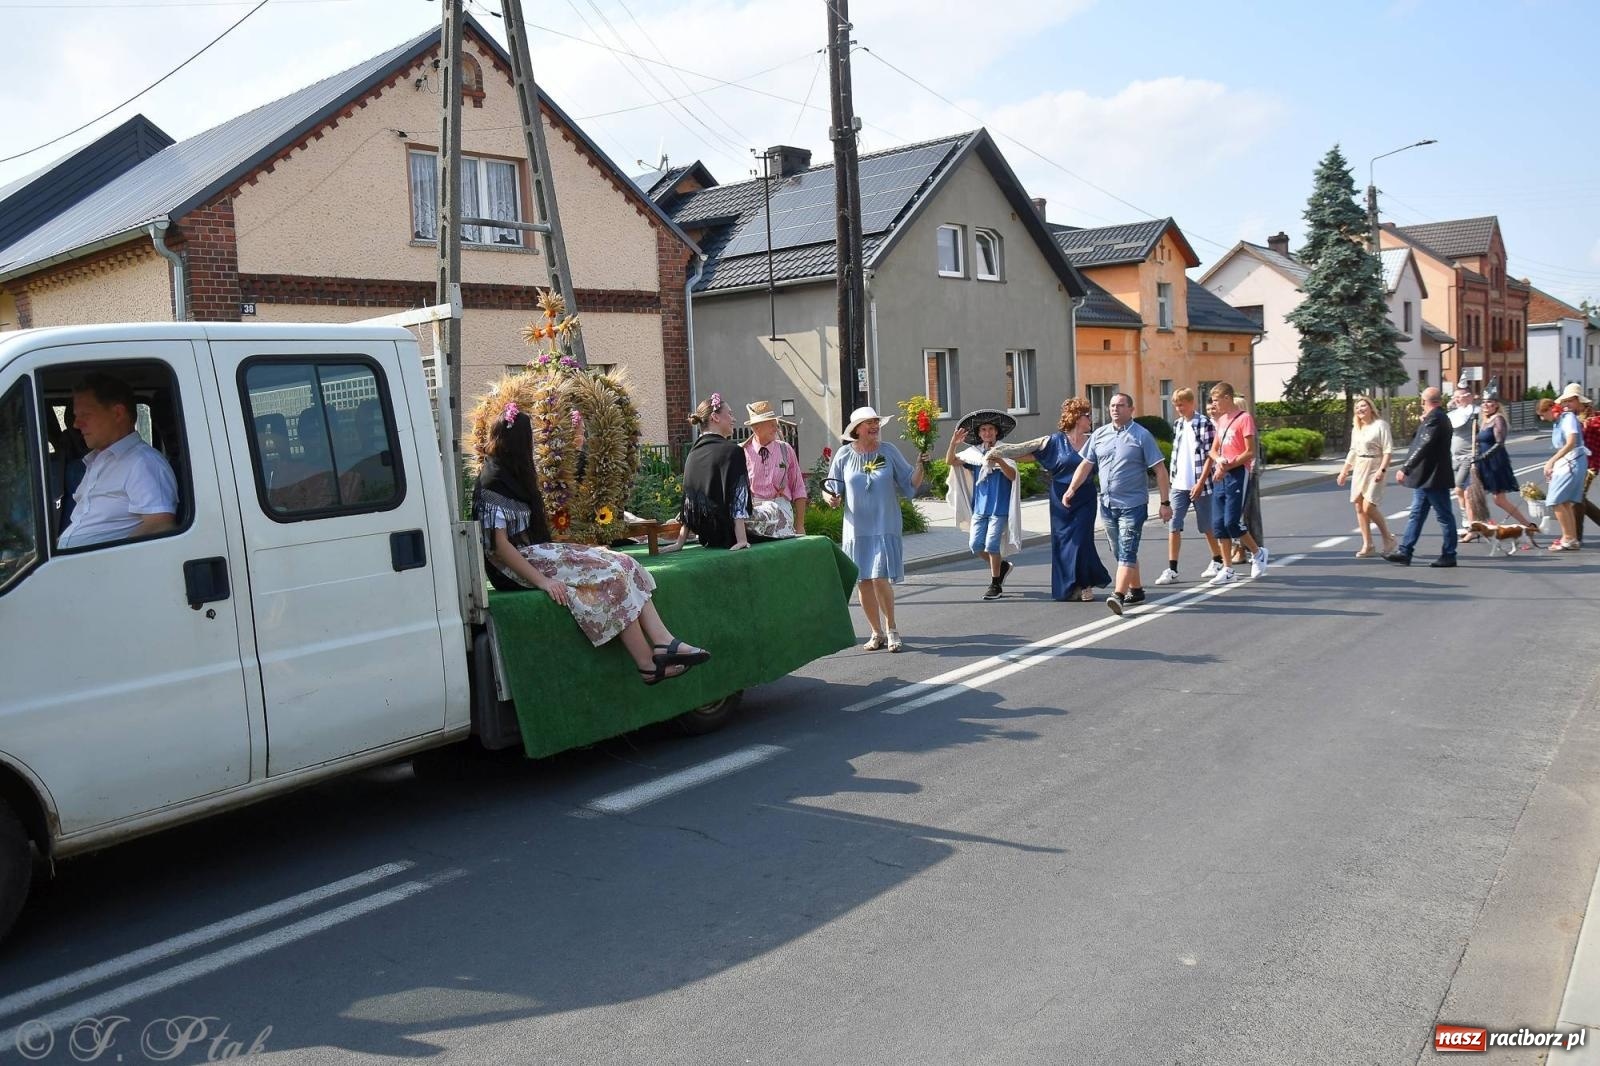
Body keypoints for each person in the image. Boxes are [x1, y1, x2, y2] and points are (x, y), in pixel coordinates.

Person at [474, 402, 709, 685]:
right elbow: (499, 547)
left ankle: (663, 641)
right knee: (610, 575)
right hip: (514, 566)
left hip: (534, 552)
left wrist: (584, 551)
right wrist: (543, 582)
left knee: (625, 562)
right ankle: (647, 664)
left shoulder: (510, 474)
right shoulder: (492, 481)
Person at [1057, 392, 1171, 615]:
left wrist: (1165, 502)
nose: (1115, 409)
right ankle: (1136, 590)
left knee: (1127, 551)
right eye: (1112, 405)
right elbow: (1086, 465)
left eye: (1120, 405)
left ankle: (1118, 595)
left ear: (1131, 409)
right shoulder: (1099, 434)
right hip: (1108, 504)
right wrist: (1071, 488)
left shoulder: (1142, 435)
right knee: (1120, 551)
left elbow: (1160, 470)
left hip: (1133, 504)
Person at [987, 397, 1110, 602]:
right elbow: (1028, 453)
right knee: (1063, 543)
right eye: (1087, 415)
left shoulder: (1093, 442)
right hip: (1060, 499)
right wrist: (999, 454)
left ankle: (1086, 584)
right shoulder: (1053, 442)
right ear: (1077, 418)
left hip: (1085, 497)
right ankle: (1070, 586)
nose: (1091, 418)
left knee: (1081, 541)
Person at [824, 405, 924, 651]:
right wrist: (831, 498)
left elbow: (910, 483)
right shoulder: (844, 455)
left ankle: (892, 629)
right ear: (857, 429)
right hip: (856, 528)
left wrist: (922, 465)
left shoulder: (888, 451)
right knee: (863, 581)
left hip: (884, 524)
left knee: (879, 576)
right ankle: (876, 632)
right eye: (869, 422)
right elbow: (830, 487)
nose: (875, 425)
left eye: (876, 421)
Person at [57, 372, 178, 549]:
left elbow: (160, 525)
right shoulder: (97, 461)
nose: (76, 424)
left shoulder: (143, 462)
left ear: (118, 413)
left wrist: (104, 562)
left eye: (85, 415)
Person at [944, 409, 1022, 599]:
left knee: (992, 545)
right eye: (983, 430)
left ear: (997, 432)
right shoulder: (974, 455)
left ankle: (995, 584)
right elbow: (951, 461)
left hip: (1000, 507)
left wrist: (1000, 461)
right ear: (978, 434)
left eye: (991, 429)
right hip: (980, 508)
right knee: (976, 545)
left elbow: (1013, 476)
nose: (987, 433)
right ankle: (1002, 566)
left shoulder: (1005, 451)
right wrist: (953, 444)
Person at [666, 392, 753, 551]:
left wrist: (680, 543)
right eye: (730, 414)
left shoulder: (692, 454)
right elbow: (738, 497)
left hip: (707, 537)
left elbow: (688, 502)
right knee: (771, 508)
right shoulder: (733, 451)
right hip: (730, 534)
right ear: (715, 417)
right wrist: (741, 539)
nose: (733, 419)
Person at [1385, 386, 1458, 567]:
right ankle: (1405, 551)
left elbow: (1423, 446)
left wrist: (1406, 468)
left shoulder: (1435, 419)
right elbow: (1421, 440)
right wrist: (1423, 423)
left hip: (1433, 477)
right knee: (1416, 514)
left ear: (1424, 402)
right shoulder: (1436, 418)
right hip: (1427, 477)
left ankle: (1449, 554)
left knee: (1444, 516)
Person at [1202, 382, 1268, 582]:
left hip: (1238, 473)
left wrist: (1228, 465)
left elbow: (1249, 451)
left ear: (1227, 398)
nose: (1214, 405)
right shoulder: (1221, 421)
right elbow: (1213, 450)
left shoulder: (1244, 419)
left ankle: (1258, 553)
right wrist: (1219, 461)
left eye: (1216, 400)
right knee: (1218, 523)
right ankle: (1228, 569)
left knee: (1233, 521)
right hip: (1222, 473)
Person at [1154, 387, 1221, 584]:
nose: (1178, 408)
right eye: (1176, 405)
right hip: (1179, 484)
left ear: (1192, 403)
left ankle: (1217, 559)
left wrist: (1201, 482)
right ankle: (1172, 568)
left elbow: (1211, 454)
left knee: (1206, 525)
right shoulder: (1178, 425)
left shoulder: (1204, 424)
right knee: (1174, 525)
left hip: (1201, 483)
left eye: (1181, 404)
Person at [1336, 395, 1398, 558]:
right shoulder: (1357, 428)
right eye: (1357, 407)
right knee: (1358, 506)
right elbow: (1353, 451)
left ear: (1371, 408)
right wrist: (1344, 470)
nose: (1360, 409)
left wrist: (1382, 470)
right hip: (1360, 467)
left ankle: (1388, 538)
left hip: (1375, 466)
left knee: (1369, 506)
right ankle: (1368, 544)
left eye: (1363, 406)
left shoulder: (1380, 425)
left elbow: (1388, 450)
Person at [1472, 394, 1538, 533]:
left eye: (1489, 402)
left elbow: (1499, 443)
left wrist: (1484, 456)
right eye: (1483, 402)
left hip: (1495, 462)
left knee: (1498, 499)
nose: (1485, 405)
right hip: (1483, 462)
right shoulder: (1484, 420)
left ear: (1496, 404)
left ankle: (1528, 526)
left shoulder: (1498, 419)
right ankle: (1477, 527)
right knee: (1474, 495)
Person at [741, 400, 807, 539]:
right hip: (755, 516)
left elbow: (799, 488)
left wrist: (800, 525)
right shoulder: (742, 452)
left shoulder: (785, 449)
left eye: (776, 424)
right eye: (771, 425)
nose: (776, 428)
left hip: (782, 513)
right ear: (756, 428)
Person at [1540, 384, 1590, 552]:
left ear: (1550, 410)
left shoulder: (1567, 418)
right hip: (1571, 462)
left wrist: (1551, 462)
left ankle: (1568, 537)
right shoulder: (1561, 420)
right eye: (1566, 400)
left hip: (1572, 462)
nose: (1541, 419)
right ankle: (1571, 538)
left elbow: (1571, 443)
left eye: (1542, 414)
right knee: (1566, 502)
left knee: (1555, 500)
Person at [1447, 386, 1486, 538]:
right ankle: (1468, 522)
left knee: (1459, 489)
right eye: (1455, 397)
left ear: (1469, 397)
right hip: (1454, 456)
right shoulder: (1453, 414)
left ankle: (1471, 524)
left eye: (1460, 396)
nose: (1457, 399)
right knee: (1461, 492)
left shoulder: (1476, 413)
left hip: (1469, 456)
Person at [1578, 399, 1600, 545]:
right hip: (1581, 464)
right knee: (1579, 499)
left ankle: (1575, 536)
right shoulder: (1577, 419)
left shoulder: (1593, 420)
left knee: (1578, 499)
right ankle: (1573, 535)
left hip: (1591, 465)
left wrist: (1589, 423)